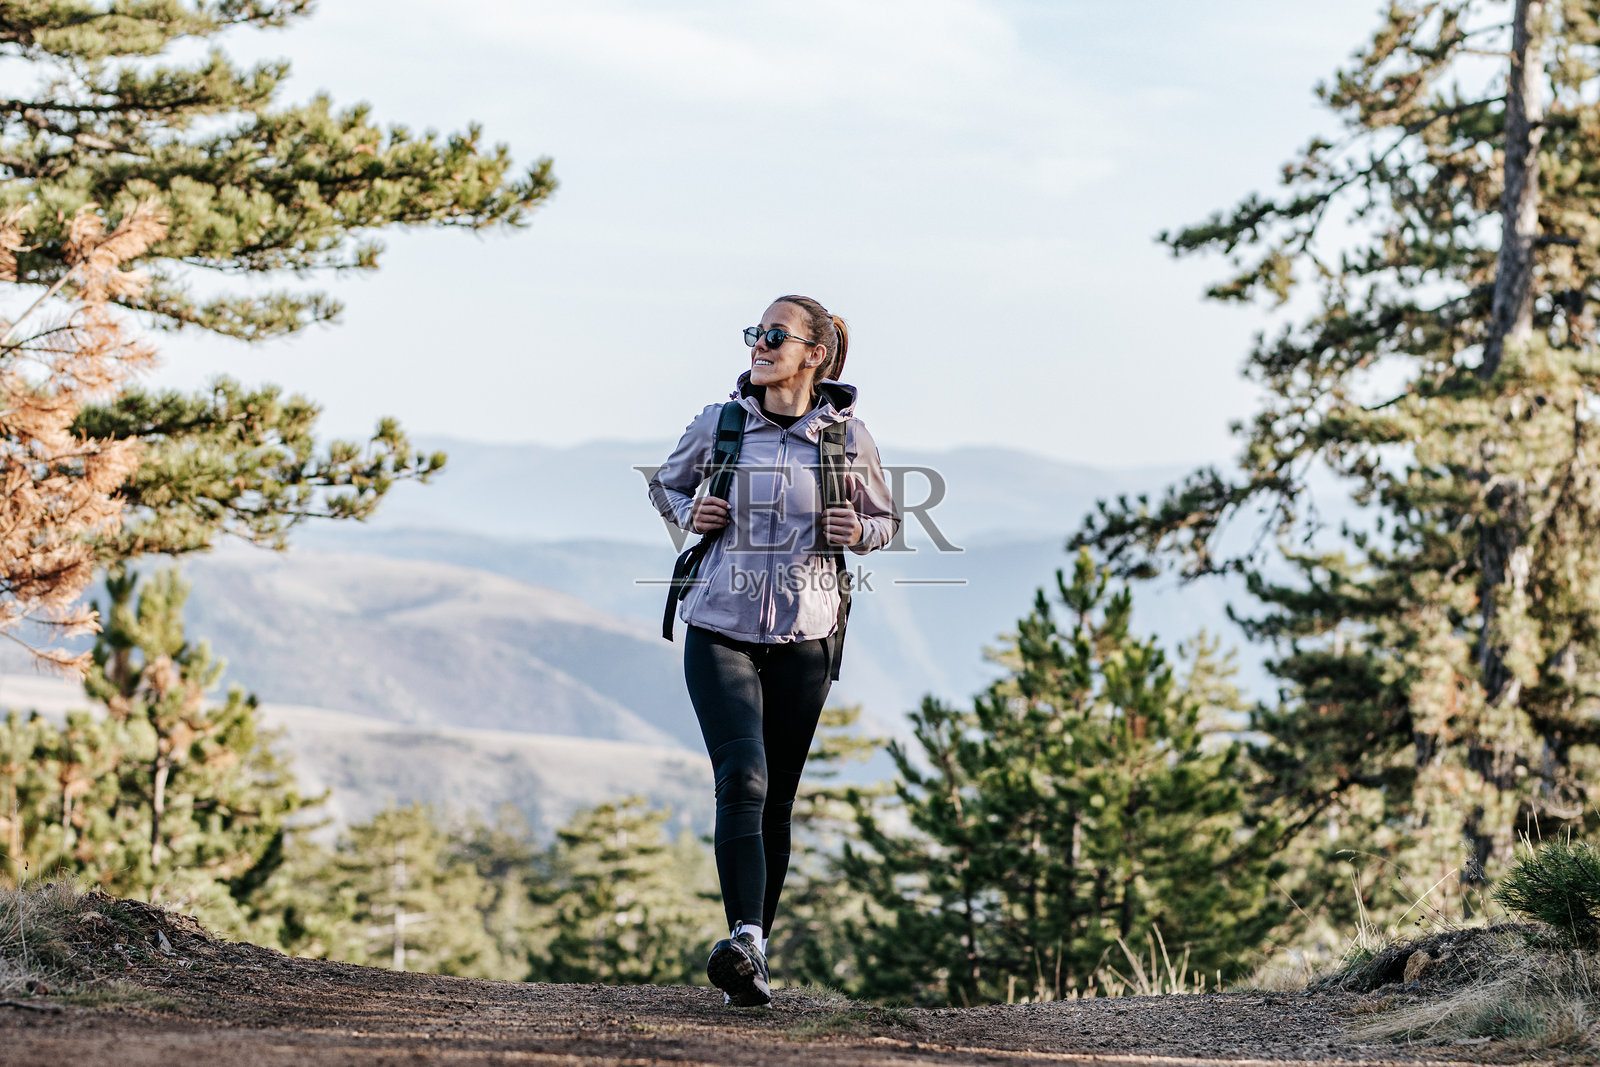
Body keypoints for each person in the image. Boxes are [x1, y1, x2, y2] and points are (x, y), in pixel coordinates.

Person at [647, 295, 901, 1006]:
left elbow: (885, 521)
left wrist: (859, 531)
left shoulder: (848, 438)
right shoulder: (721, 423)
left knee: (777, 800)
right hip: (719, 626)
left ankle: (751, 959)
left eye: (774, 335)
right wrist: (689, 513)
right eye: (755, 333)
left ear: (813, 355)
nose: (759, 344)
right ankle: (747, 936)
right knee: (744, 778)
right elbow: (666, 487)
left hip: (806, 639)